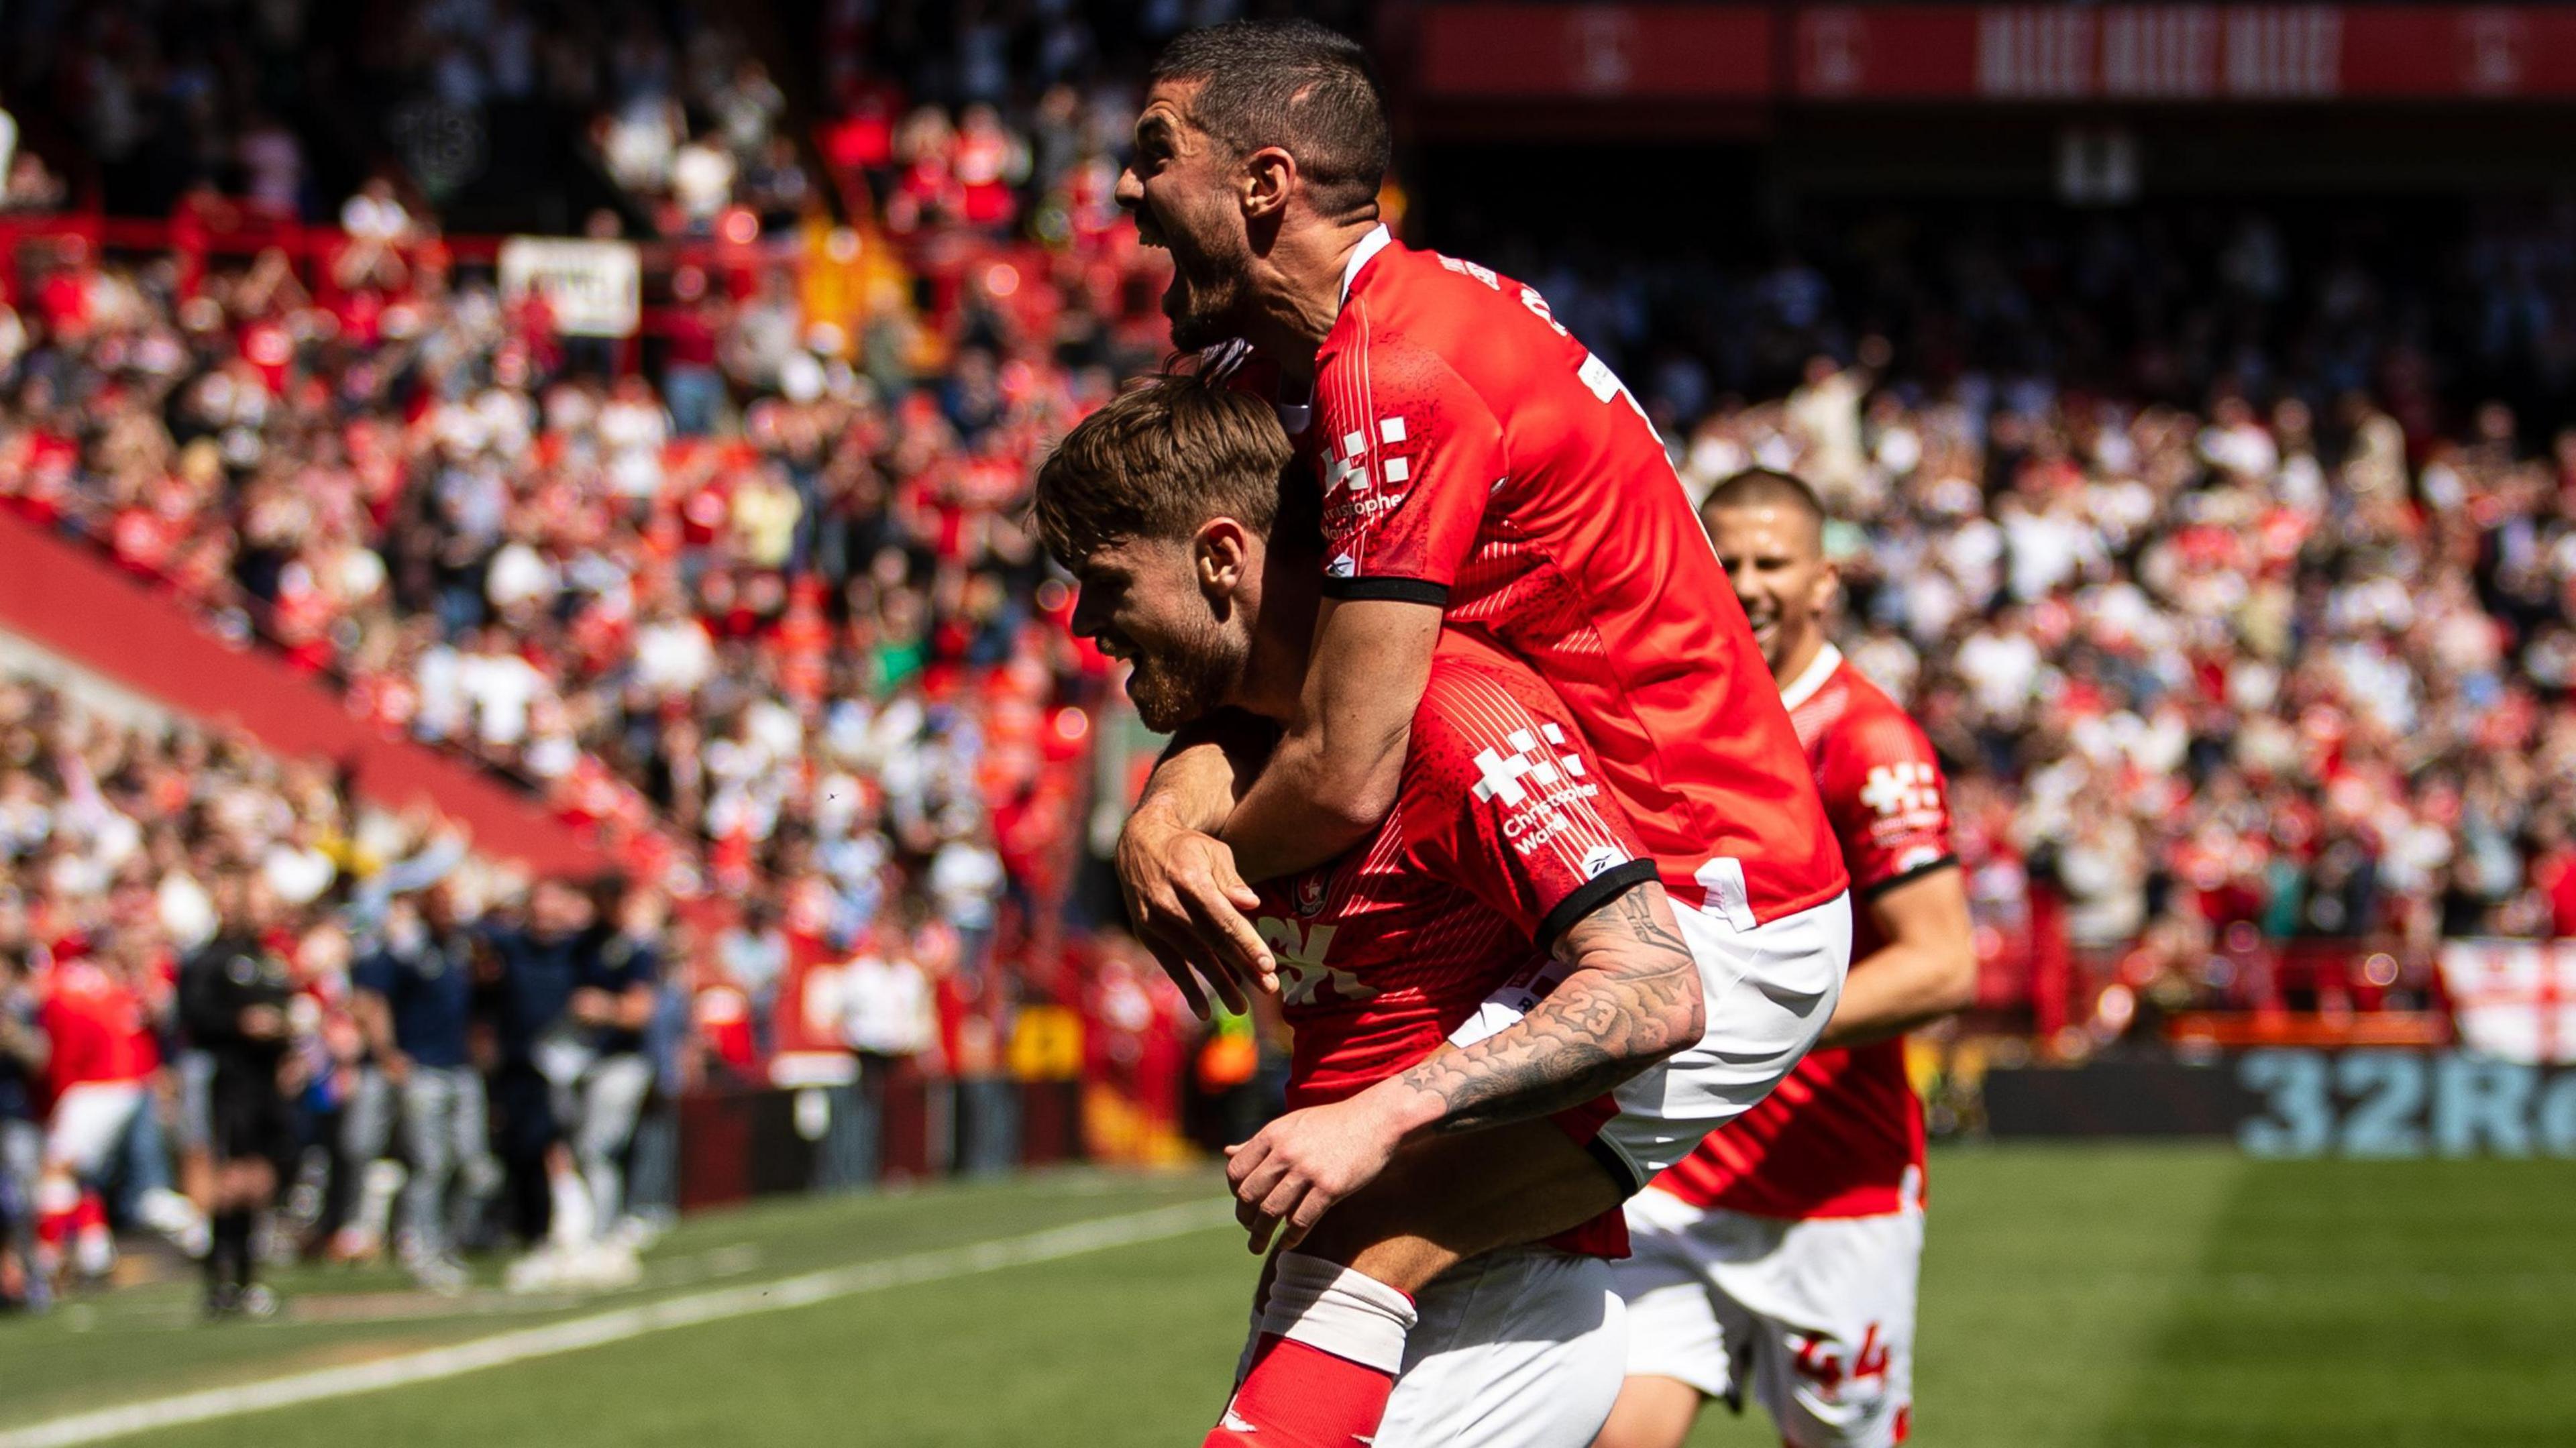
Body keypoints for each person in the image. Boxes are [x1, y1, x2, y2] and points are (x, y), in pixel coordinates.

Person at [1107, 21, 1852, 1439]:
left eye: (1155, 156)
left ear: (1264, 182)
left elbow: (1341, 761)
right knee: (1394, 1253)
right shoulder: (1357, 348)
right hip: (1598, 879)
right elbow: (1265, 679)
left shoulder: (1397, 373)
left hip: (1702, 906)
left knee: (1363, 1220)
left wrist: (1189, 860)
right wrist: (1175, 797)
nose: (1125, 196)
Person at [1036, 374, 1700, 1448]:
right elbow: (1238, 741)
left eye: (1107, 580)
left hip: (1483, 1298)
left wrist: (1377, 1114)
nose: (1086, 621)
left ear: (1220, 557)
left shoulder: (1454, 714)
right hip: (1348, 1288)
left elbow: (1656, 985)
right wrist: (1160, 813)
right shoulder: (1261, 734)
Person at [1595, 470, 1979, 1448]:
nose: (1749, 580)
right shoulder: (1660, 719)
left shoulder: (1868, 738)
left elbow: (1941, 964)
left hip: (1829, 1195)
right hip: (1673, 1176)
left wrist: (1738, 1022)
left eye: (1773, 561)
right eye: (1727, 561)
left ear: (1823, 583)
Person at [350, 885, 494, 1290]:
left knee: (472, 1164)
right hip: (424, 1068)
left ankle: (451, 1241)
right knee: (430, 1163)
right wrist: (387, 1053)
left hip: (460, 1068)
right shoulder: (408, 950)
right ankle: (423, 1246)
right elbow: (371, 998)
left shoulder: (461, 950)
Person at [178, 878, 299, 1319]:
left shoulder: (270, 961)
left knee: (259, 1178)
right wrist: (240, 1022)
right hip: (230, 1079)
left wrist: (285, 1035)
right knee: (230, 1177)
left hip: (266, 1081)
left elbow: (289, 1012)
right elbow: (192, 1014)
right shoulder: (210, 960)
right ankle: (220, 1276)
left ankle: (248, 1274)